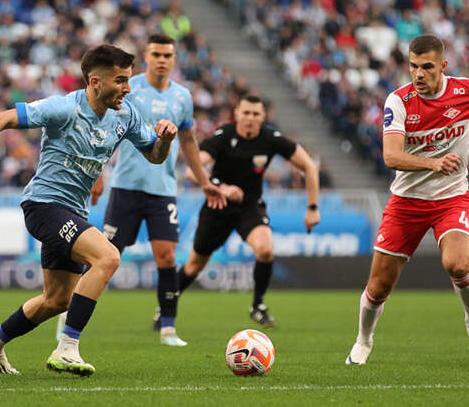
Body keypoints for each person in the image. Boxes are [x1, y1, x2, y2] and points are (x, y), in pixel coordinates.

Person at [0, 44, 179, 377]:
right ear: (95, 81)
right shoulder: (64, 108)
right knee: (107, 257)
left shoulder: (126, 115)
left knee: (57, 300)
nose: (128, 88)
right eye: (121, 80)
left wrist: (165, 140)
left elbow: (154, 155)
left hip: (74, 212)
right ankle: (67, 348)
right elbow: (3, 118)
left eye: (128, 79)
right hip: (44, 205)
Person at [61, 34, 226, 347]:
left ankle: (168, 329)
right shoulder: (128, 88)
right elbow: (103, 129)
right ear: (147, 57)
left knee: (166, 256)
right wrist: (98, 174)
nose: (162, 60)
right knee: (104, 257)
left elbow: (188, 142)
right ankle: (67, 316)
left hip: (163, 189)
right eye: (156, 54)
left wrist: (204, 180)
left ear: (174, 59)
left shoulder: (182, 97)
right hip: (126, 187)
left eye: (168, 55)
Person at [345, 34, 469, 365]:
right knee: (379, 286)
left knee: (459, 264)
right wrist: (433, 163)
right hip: (407, 201)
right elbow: (391, 156)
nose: (418, 74)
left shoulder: (463, 92)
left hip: (452, 197)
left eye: (427, 67)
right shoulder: (399, 101)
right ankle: (363, 340)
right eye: (413, 66)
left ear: (443, 65)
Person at [177, 95, 321, 326]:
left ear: (263, 117)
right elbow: (191, 171)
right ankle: (167, 305)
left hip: (250, 206)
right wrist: (222, 188)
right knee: (195, 264)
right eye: (246, 113)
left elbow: (309, 166)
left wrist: (312, 208)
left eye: (256, 114)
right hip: (217, 206)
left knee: (265, 250)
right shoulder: (224, 136)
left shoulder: (270, 138)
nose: (250, 118)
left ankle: (258, 306)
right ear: (237, 114)